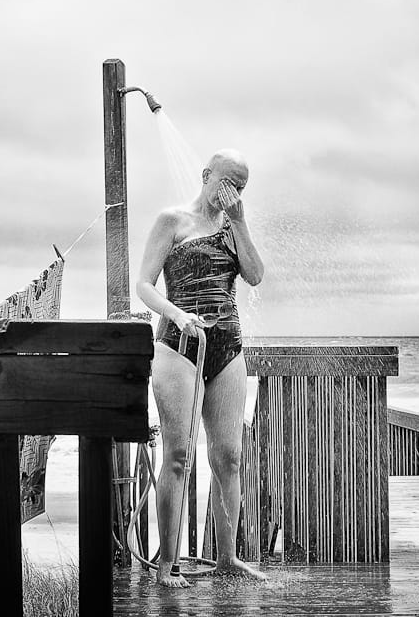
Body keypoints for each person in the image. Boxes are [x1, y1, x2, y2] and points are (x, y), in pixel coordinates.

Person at [136, 148, 268, 588]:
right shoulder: (172, 220)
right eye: (227, 182)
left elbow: (255, 275)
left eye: (241, 187)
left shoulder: (233, 228)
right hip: (178, 345)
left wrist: (243, 221)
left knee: (228, 457)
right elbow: (143, 285)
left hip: (226, 345)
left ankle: (228, 557)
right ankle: (167, 565)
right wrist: (175, 315)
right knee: (177, 456)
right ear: (207, 175)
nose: (231, 192)